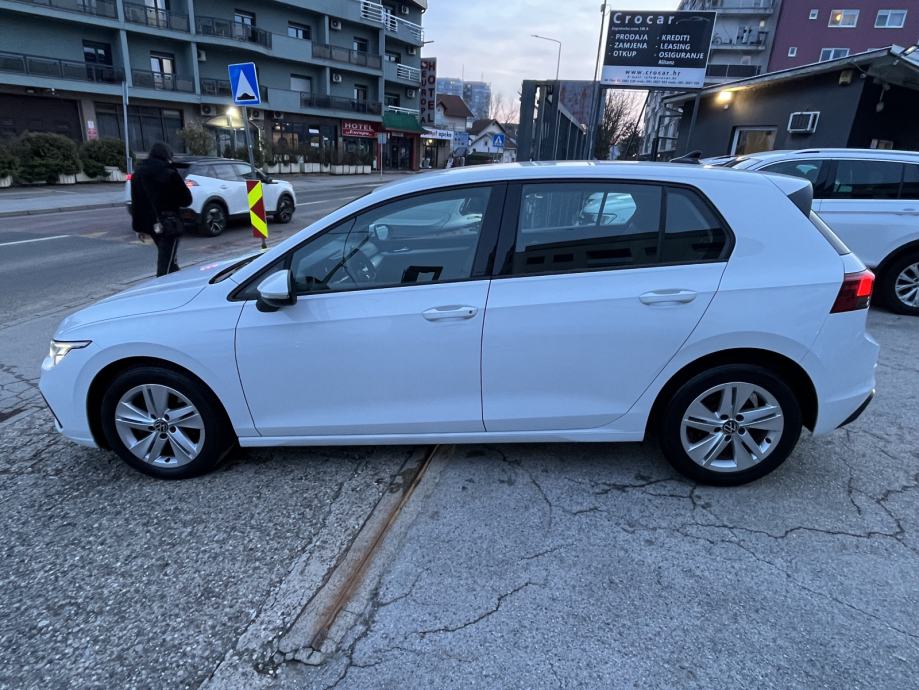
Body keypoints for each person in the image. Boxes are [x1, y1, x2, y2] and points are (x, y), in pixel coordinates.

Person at [131, 142, 192, 277]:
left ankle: (177, 281)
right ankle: (163, 285)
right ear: (167, 155)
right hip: (169, 223)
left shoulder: (138, 173)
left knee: (169, 257)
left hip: (151, 224)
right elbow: (186, 199)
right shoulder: (168, 172)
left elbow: (136, 202)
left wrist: (138, 227)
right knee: (166, 263)